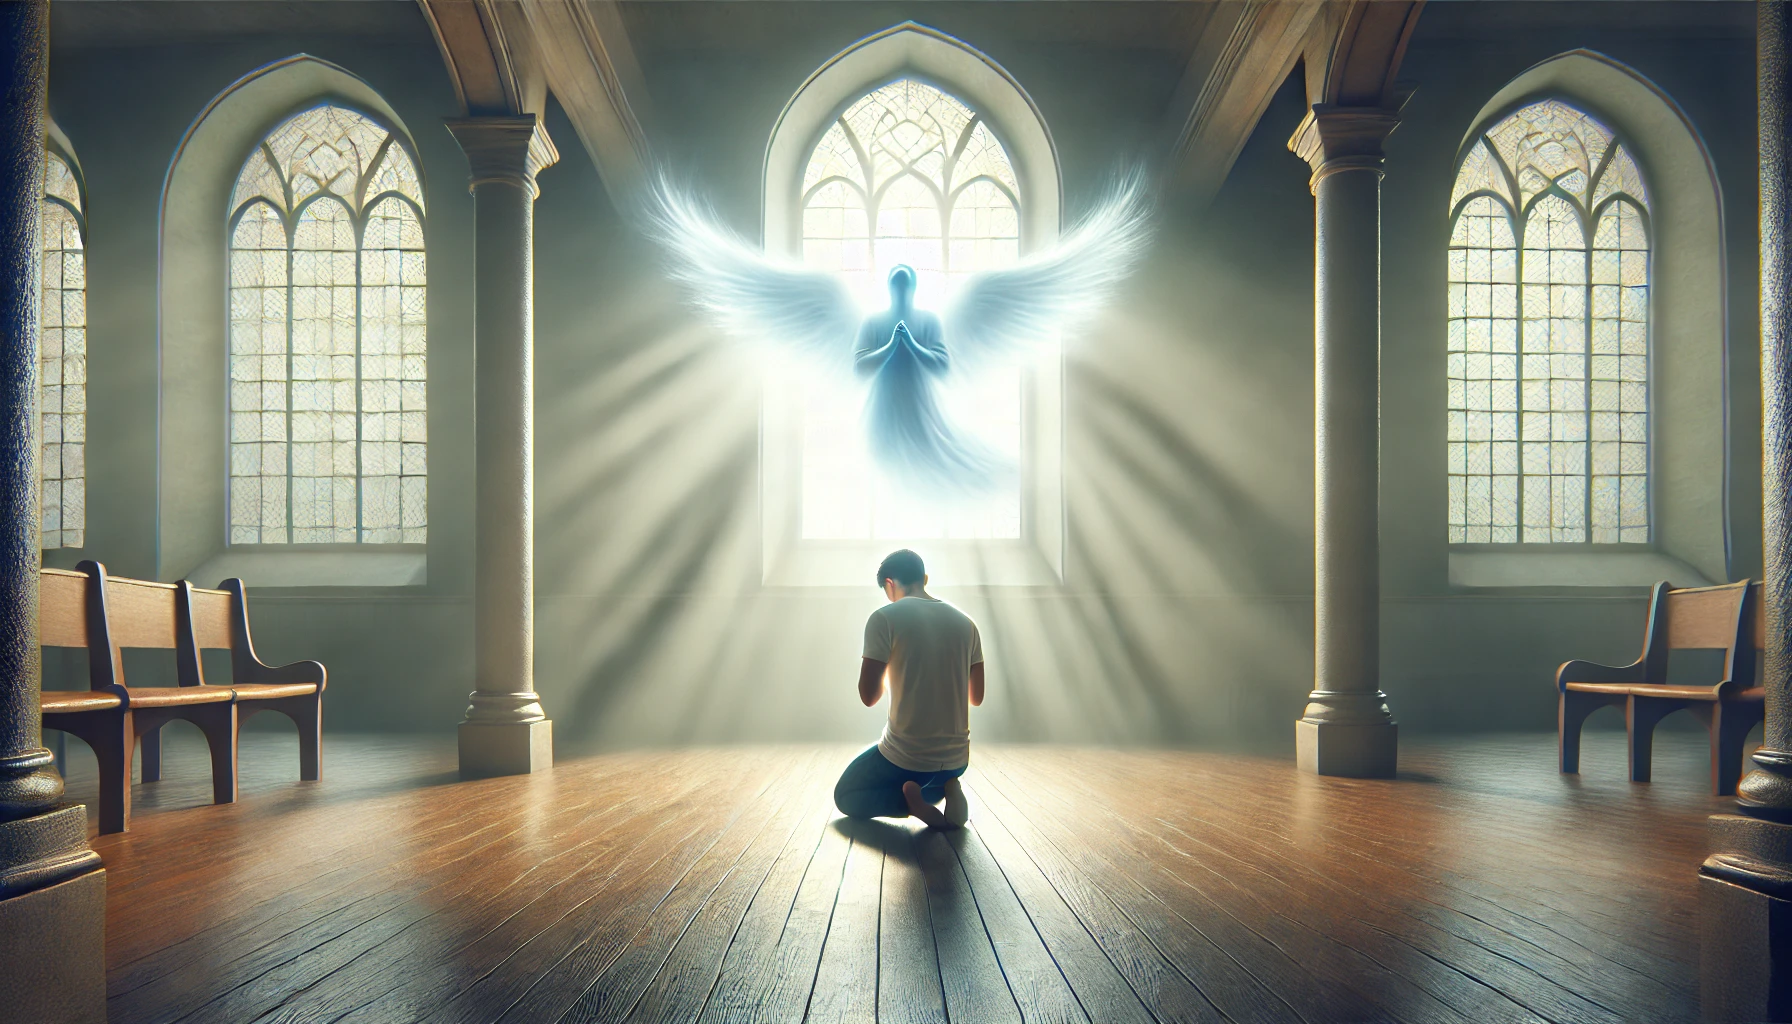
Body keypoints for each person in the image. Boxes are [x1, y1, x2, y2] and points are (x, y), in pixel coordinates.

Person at [833, 548, 985, 830]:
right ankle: (948, 787)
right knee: (925, 778)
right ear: (924, 578)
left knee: (845, 796)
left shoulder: (883, 618)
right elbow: (976, 697)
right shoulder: (967, 624)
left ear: (889, 584)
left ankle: (912, 805)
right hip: (956, 759)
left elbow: (869, 697)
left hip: (906, 759)